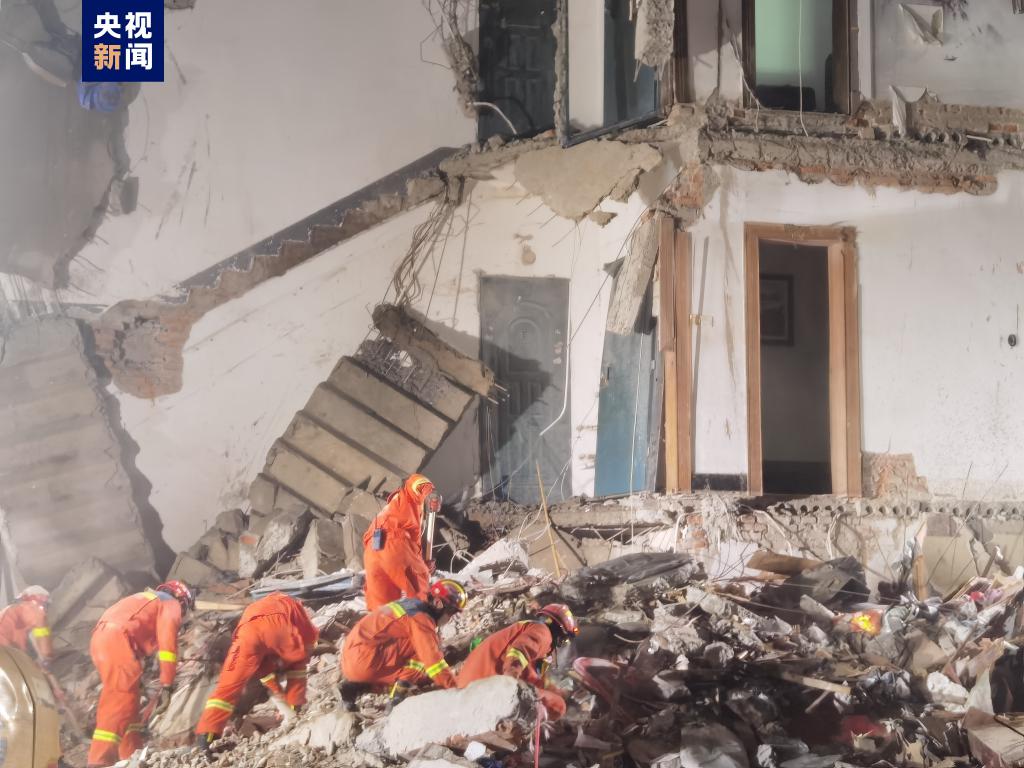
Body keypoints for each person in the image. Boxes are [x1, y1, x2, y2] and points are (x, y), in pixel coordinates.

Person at [87, 580, 194, 768]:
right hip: (117, 640)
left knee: (129, 701)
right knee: (121, 700)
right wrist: (167, 684)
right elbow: (168, 647)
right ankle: (99, 761)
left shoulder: (148, 599)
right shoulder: (170, 604)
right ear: (182, 600)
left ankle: (131, 755)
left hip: (102, 638)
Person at [195, 592, 319, 753]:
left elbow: (264, 672)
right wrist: (291, 700)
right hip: (278, 627)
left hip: (247, 636)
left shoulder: (255, 607)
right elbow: (307, 641)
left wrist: (277, 691)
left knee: (227, 687)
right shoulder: (293, 605)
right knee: (298, 664)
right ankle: (295, 708)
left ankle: (206, 737)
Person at [340, 579, 466, 707]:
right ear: (439, 604)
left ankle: (356, 687)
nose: (450, 618)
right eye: (451, 612)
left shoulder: (412, 605)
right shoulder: (420, 618)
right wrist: (456, 690)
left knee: (424, 646)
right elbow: (432, 659)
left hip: (351, 659)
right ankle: (398, 696)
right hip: (365, 660)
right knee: (423, 650)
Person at [456, 603, 579, 721]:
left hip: (469, 686)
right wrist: (510, 683)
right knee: (558, 705)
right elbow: (517, 655)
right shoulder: (543, 633)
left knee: (551, 697)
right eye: (565, 640)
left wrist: (557, 691)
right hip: (487, 686)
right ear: (560, 635)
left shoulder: (527, 631)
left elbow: (532, 677)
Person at [362, 474, 441, 611]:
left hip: (372, 552)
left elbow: (410, 552)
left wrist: (423, 564)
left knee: (382, 612)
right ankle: (428, 619)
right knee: (422, 596)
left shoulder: (394, 512)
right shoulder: (409, 497)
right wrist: (431, 494)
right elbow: (417, 482)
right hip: (393, 542)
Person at [0, 585, 53, 665]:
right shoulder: (32, 609)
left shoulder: (12, 612)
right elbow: (42, 636)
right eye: (45, 605)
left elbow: (18, 644)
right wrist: (47, 656)